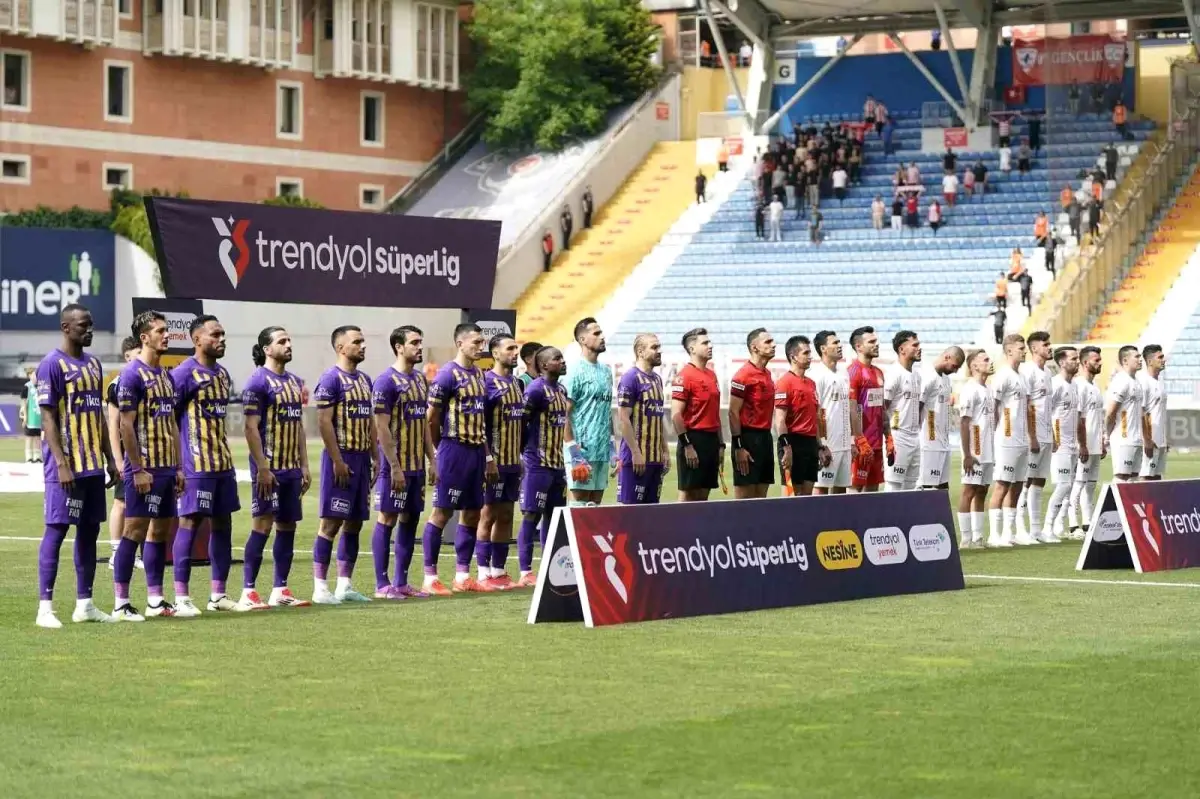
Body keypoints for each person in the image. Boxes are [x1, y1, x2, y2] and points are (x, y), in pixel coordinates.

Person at [33, 304, 121, 628]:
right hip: (67, 466)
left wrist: (110, 458)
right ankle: (45, 608)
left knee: (89, 531)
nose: (89, 330)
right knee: (57, 530)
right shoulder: (51, 365)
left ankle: (85, 604)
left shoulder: (94, 365)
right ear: (66, 327)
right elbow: (48, 417)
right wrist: (61, 463)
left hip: (92, 466)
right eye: (83, 325)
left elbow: (98, 416)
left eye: (91, 324)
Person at [114, 310, 184, 620]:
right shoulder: (132, 374)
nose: (166, 335)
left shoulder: (166, 375)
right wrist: (137, 468)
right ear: (144, 337)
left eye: (166, 330)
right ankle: (121, 603)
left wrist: (179, 467)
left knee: (160, 532)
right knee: (135, 530)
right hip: (145, 469)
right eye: (160, 331)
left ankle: (155, 600)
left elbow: (172, 425)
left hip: (167, 468)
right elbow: (125, 425)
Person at [169, 315, 241, 616]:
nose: (221, 339)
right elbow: (168, 419)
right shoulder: (183, 374)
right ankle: (182, 597)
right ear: (197, 339)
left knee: (224, 524)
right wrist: (177, 464)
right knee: (190, 523)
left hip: (222, 462)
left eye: (223, 334)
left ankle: (218, 594)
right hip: (195, 464)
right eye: (215, 335)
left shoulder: (223, 374)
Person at [241, 326, 312, 609]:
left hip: (291, 468)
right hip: (268, 469)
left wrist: (304, 464)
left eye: (289, 340)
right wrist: (262, 467)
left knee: (287, 525)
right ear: (267, 349)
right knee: (262, 524)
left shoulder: (294, 382)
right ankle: (248, 592)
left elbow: (299, 427)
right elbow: (250, 428)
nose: (289, 344)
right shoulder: (257, 382)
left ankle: (280, 589)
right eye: (282, 341)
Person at [424, 323, 495, 594]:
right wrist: (439, 450)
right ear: (460, 343)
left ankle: (463, 575)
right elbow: (432, 418)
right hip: (453, 449)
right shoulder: (446, 374)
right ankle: (430, 577)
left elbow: (480, 422)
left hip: (476, 452)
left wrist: (487, 456)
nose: (481, 347)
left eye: (482, 342)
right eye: (476, 342)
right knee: (442, 512)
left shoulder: (479, 374)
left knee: (473, 512)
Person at [369, 325, 436, 600]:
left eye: (420, 342)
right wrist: (394, 467)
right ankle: (382, 584)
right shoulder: (385, 381)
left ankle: (402, 582)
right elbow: (381, 428)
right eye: (414, 343)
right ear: (399, 347)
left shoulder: (420, 380)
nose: (420, 347)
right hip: (394, 467)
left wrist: (433, 459)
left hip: (416, 466)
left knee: (411, 518)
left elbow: (423, 424)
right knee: (387, 518)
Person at [311, 326, 376, 604]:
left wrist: (375, 456)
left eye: (363, 341)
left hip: (361, 459)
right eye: (357, 342)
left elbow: (370, 421)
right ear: (340, 347)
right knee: (331, 523)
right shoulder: (330, 379)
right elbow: (324, 422)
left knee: (355, 523)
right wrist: (337, 459)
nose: (363, 346)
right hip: (341, 458)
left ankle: (345, 585)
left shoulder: (365, 379)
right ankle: (320, 587)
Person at [518, 347, 572, 580]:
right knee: (531, 515)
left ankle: (548, 567)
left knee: (553, 516)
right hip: (537, 464)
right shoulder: (535, 389)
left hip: (557, 465)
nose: (563, 361)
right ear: (544, 365)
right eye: (557, 359)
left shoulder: (561, 390)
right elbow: (521, 423)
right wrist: (523, 454)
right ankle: (525, 571)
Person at [476, 334, 524, 589]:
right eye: (510, 348)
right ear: (495, 353)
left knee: (506, 515)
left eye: (516, 348)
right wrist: (487, 458)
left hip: (512, 462)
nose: (515, 353)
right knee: (488, 515)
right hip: (493, 462)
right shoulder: (486, 383)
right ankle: (483, 572)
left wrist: (520, 456)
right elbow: (479, 425)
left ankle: (499, 571)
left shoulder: (517, 383)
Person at [563, 317, 614, 506]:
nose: (602, 337)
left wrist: (611, 445)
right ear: (582, 339)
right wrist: (573, 450)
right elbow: (564, 414)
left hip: (601, 451)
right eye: (596, 333)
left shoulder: (606, 372)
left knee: (595, 507)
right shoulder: (574, 371)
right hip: (581, 451)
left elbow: (606, 411)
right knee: (579, 505)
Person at [988, 334, 1032, 548]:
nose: (1025, 351)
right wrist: (995, 433)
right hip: (1006, 439)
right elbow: (993, 407)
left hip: (1022, 439)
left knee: (1017, 486)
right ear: (1009, 351)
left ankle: (1009, 532)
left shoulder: (1022, 376)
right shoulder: (1002, 376)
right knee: (1002, 485)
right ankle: (993, 535)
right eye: (1021, 348)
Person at [671, 328, 724, 503]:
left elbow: (715, 413)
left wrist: (721, 444)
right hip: (693, 439)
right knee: (688, 494)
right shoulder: (684, 376)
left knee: (703, 496)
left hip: (711, 441)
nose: (710, 346)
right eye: (705, 343)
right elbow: (676, 414)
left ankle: (699, 524)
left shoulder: (712, 375)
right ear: (692, 349)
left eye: (709, 342)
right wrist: (687, 445)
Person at [617, 335, 669, 505]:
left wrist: (665, 451)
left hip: (655, 460)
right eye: (654, 347)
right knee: (630, 513)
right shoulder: (630, 378)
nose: (659, 351)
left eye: (659, 347)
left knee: (652, 513)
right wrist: (636, 452)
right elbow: (623, 418)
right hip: (636, 460)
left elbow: (658, 418)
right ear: (640, 352)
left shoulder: (657, 379)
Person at [811, 331, 864, 495]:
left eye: (839, 342)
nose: (840, 346)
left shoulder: (843, 373)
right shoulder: (816, 374)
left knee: (841, 490)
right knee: (821, 488)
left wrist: (852, 441)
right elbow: (816, 412)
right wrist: (821, 445)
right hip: (828, 445)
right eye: (835, 343)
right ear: (823, 349)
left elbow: (848, 408)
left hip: (845, 444)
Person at [1014, 330, 1054, 544]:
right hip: (1033, 436)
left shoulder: (1047, 372)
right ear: (1034, 348)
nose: (1050, 347)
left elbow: (1047, 407)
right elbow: (1028, 407)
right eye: (1046, 345)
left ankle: (1036, 530)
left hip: (1046, 434)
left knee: (1039, 481)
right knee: (1026, 481)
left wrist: (1051, 434)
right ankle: (1020, 529)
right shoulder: (1027, 371)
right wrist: (1032, 436)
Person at [728, 329, 777, 500]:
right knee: (745, 501)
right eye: (768, 342)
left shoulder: (768, 374)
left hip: (765, 438)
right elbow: (733, 412)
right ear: (754, 347)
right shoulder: (743, 376)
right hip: (748, 438)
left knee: (761, 498)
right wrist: (739, 447)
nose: (773, 345)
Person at [1045, 347, 1087, 540]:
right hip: (1059, 444)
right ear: (1062, 362)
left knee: (1069, 487)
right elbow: (1045, 413)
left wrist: (1081, 443)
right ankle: (1047, 528)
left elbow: (1077, 418)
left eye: (1077, 358)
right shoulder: (1055, 384)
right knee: (1063, 485)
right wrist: (1053, 438)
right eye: (1073, 358)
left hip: (1072, 445)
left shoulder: (1075, 386)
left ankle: (1060, 527)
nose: (1077, 362)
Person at [775, 335, 826, 497]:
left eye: (810, 353)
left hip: (810, 444)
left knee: (807, 495)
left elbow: (814, 419)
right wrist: (786, 447)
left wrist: (819, 446)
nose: (810, 356)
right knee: (791, 494)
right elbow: (780, 419)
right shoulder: (785, 382)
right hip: (793, 442)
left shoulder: (811, 383)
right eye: (805, 353)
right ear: (793, 357)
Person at [106, 337, 141, 569]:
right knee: (121, 502)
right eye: (136, 353)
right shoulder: (117, 384)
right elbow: (113, 426)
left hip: (146, 453)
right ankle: (116, 554)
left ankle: (133, 554)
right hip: (126, 455)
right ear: (127, 357)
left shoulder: (149, 379)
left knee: (139, 505)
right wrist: (117, 460)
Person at [957, 350, 994, 548]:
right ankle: (965, 539)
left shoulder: (988, 389)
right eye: (985, 360)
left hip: (988, 450)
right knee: (969, 490)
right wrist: (967, 455)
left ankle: (978, 537)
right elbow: (964, 422)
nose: (990, 362)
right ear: (974, 366)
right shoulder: (970, 389)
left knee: (982, 491)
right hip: (975, 450)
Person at [1065, 346, 1104, 538]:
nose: (1100, 363)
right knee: (1078, 483)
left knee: (1090, 485)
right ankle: (1073, 525)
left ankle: (1089, 522)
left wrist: (1102, 442)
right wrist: (1082, 444)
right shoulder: (1079, 386)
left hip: (1096, 444)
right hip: (1084, 445)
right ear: (1085, 362)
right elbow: (1078, 419)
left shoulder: (1095, 387)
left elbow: (1098, 418)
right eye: (1096, 360)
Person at [918, 347, 965, 490]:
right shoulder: (927, 376)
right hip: (929, 443)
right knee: (927, 488)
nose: (956, 371)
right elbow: (917, 408)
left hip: (944, 443)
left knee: (943, 488)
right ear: (947, 357)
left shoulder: (946, 380)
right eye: (955, 366)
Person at [848, 326, 887, 493]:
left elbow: (882, 408)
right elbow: (852, 408)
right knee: (854, 491)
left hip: (877, 445)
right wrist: (858, 439)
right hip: (860, 445)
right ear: (859, 346)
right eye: (871, 342)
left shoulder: (878, 372)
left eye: (876, 341)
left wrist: (888, 437)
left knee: (873, 492)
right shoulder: (853, 372)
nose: (876, 344)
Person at [883, 330, 923, 492]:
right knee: (894, 485)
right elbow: (883, 407)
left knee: (911, 486)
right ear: (902, 349)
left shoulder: (917, 376)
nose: (919, 348)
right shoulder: (894, 374)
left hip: (914, 437)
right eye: (915, 345)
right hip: (898, 436)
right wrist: (889, 437)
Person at [1105, 345, 1147, 483]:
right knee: (1122, 477)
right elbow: (1111, 412)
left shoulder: (1136, 382)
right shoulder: (1121, 381)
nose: (1140, 359)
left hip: (1136, 439)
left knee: (1134, 478)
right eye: (1137, 357)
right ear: (1125, 361)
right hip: (1123, 438)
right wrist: (1107, 434)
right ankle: (1111, 498)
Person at [1138, 344, 1168, 480]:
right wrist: (1147, 440)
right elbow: (1141, 413)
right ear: (1150, 361)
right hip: (1149, 440)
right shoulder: (1143, 382)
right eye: (1160, 357)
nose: (1164, 359)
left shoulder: (1160, 381)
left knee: (1157, 478)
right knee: (1146, 477)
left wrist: (1164, 438)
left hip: (1160, 440)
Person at [19, 366, 42, 463]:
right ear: (29, 375)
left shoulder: (41, 385)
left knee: (38, 438)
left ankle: (37, 457)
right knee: (29, 438)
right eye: (33, 374)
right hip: (30, 416)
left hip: (39, 417)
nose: (35, 376)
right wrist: (25, 417)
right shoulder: (27, 387)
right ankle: (29, 457)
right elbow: (24, 403)